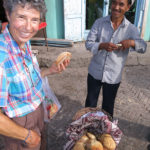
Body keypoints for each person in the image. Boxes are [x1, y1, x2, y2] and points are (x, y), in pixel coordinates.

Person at [0, 0, 70, 150]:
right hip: (19, 124)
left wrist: (49, 71)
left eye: (34, 20)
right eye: (21, 17)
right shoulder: (2, 56)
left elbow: (24, 76)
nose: (28, 27)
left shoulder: (24, 40)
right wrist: (27, 136)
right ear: (8, 14)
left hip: (38, 109)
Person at [85, 0, 147, 117]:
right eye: (114, 3)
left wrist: (132, 42)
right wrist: (102, 45)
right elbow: (88, 43)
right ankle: (87, 128)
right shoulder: (99, 23)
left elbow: (143, 47)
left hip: (113, 76)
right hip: (95, 72)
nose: (116, 7)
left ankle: (105, 132)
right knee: (90, 104)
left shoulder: (131, 29)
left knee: (108, 107)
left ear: (128, 7)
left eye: (121, 4)